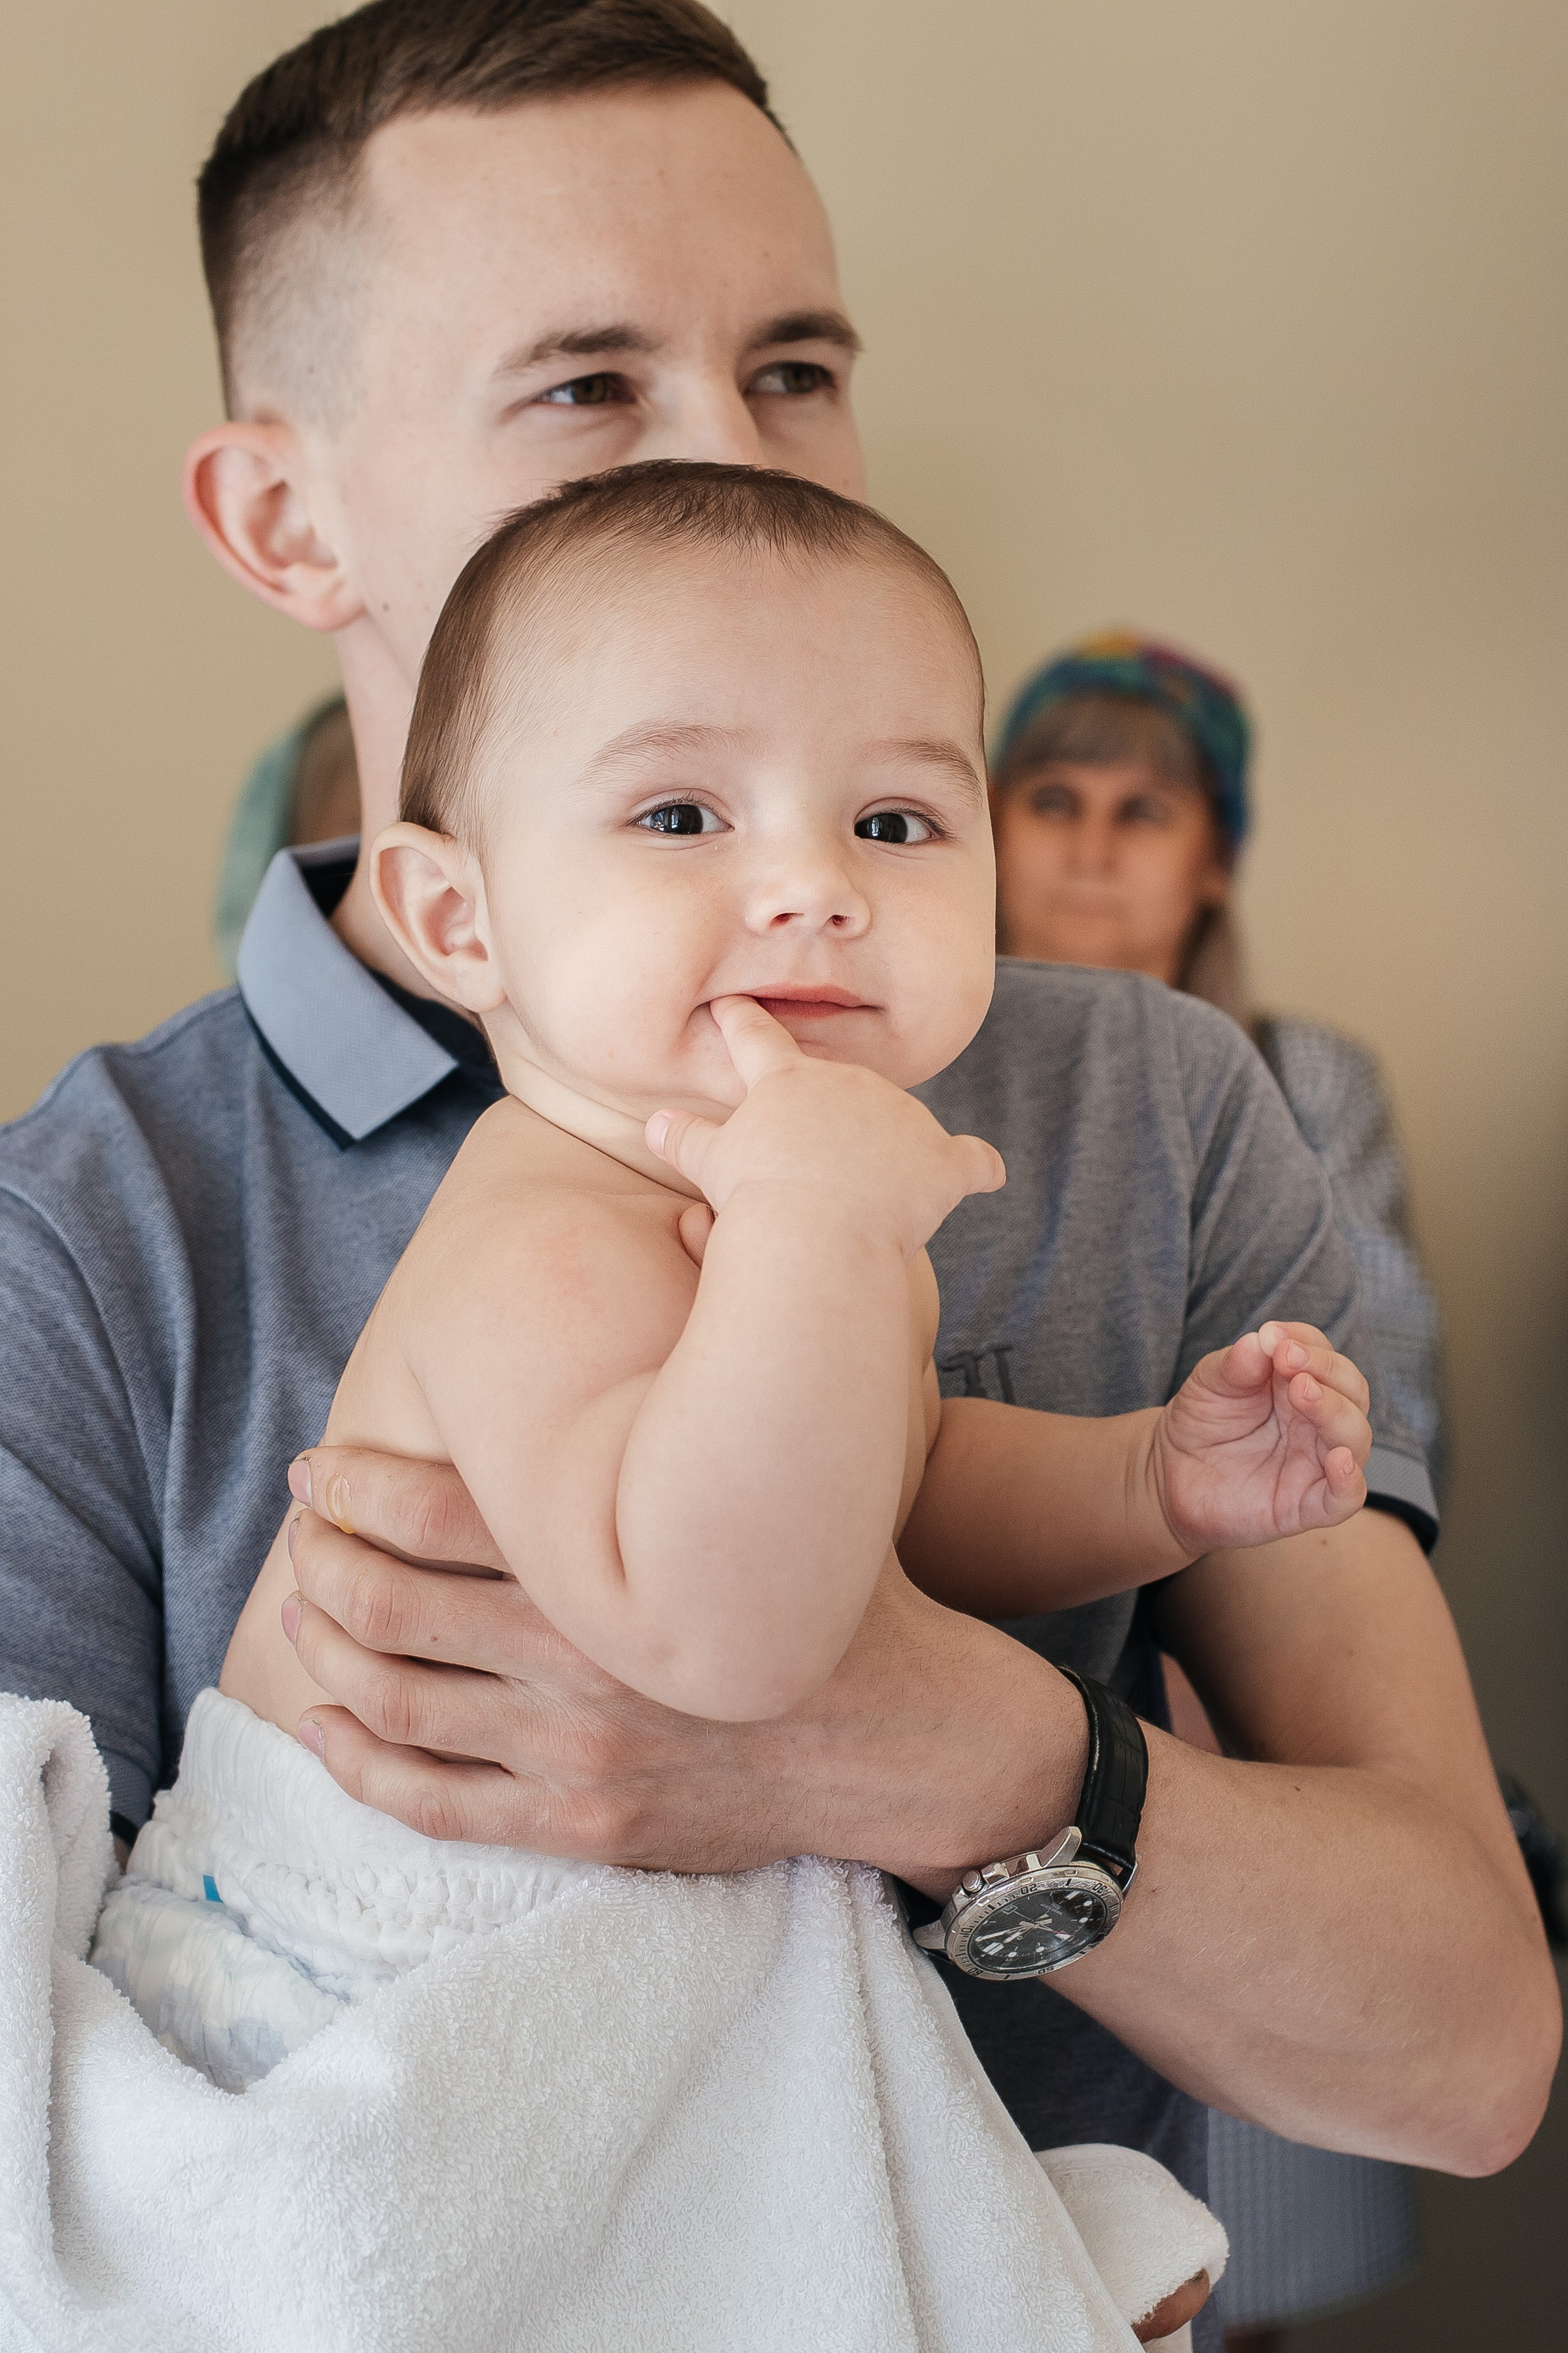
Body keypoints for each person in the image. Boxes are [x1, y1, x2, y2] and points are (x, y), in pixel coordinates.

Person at [0, 9, 1555, 2335]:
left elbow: (1471, 2051)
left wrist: (970, 1745)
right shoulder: (87, 1238)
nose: (746, 462)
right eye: (589, 388)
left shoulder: (1149, 1097)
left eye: (800, 365)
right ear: (284, 517)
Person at [93, 460, 1378, 2343]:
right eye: (682, 811)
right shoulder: (552, 1234)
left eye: (895, 817)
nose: (816, 886)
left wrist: (1148, 1479)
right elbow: (740, 1628)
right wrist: (811, 1224)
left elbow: (905, 1483)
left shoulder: (750, 1193)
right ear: (459, 921)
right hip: (351, 2013)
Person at [987, 630, 1452, 2346]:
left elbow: (1381, 1394)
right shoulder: (918, 1071)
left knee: (1215, 2240)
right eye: (1053, 799)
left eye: (1142, 809)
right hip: (1000, 1677)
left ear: (1214, 862)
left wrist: (1247, 1616)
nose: (1095, 846)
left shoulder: (1295, 1079)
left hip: (1232, 1696)